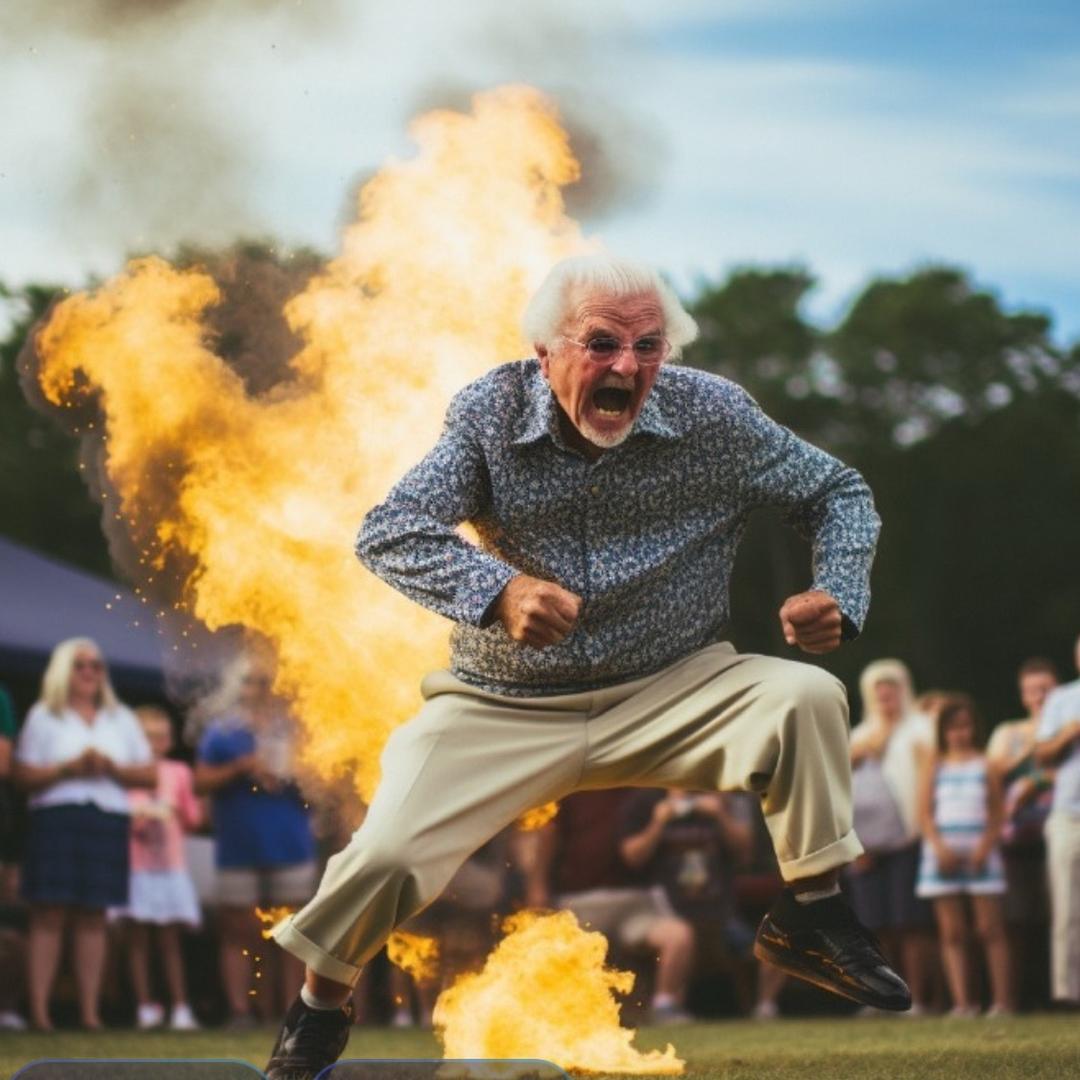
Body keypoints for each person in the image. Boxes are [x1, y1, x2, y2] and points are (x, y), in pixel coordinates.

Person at [263, 254, 908, 1079]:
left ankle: (811, 912)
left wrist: (838, 591)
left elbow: (839, 490)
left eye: (649, 346)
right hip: (504, 703)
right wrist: (497, 591)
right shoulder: (490, 416)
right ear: (546, 350)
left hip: (680, 687)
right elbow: (390, 530)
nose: (627, 367)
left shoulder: (716, 416)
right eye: (601, 344)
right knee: (386, 857)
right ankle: (320, 1008)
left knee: (807, 694)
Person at [12, 637, 155, 1030]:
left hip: (106, 819)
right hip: (56, 818)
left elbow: (149, 772)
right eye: (80, 665)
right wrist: (66, 769)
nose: (90, 671)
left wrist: (110, 767)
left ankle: (90, 1013)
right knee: (49, 913)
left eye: (96, 665)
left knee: (95, 915)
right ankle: (40, 1013)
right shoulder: (44, 716)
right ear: (62, 670)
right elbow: (21, 775)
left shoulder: (120, 717)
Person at [195, 656, 316, 1026]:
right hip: (239, 843)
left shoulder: (297, 732)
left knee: (292, 936)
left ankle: (290, 1012)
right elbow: (200, 782)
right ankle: (240, 1011)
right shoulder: (222, 731)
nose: (259, 689)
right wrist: (243, 767)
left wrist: (293, 774)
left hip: (290, 843)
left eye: (265, 681)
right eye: (251, 681)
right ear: (238, 686)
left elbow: (322, 786)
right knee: (237, 931)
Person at [530, 789, 696, 1024]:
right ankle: (556, 1017)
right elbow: (548, 833)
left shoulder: (644, 783)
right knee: (553, 949)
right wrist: (537, 885)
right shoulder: (574, 785)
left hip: (636, 902)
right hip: (579, 902)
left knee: (679, 936)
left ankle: (664, 1006)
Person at [619, 788, 786, 1019]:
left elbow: (746, 853)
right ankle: (667, 1007)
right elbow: (632, 857)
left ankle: (765, 1008)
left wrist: (720, 814)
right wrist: (659, 822)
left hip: (721, 915)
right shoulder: (648, 800)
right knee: (680, 937)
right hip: (666, 911)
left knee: (777, 939)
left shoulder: (724, 796)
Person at [846, 660, 936, 1012]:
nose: (886, 697)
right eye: (879, 691)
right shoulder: (857, 736)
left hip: (911, 840)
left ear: (904, 689)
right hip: (867, 846)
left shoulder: (922, 730)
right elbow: (841, 793)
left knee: (910, 922)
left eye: (892, 689)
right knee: (874, 926)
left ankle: (916, 998)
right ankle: (882, 997)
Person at [110, 706, 203, 1030]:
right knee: (137, 938)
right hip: (136, 866)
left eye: (162, 736)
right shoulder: (125, 773)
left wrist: (176, 810)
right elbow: (114, 813)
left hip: (170, 867)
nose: (156, 743)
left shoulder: (178, 772)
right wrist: (137, 815)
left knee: (169, 939)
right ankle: (145, 1006)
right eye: (148, 737)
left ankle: (180, 1007)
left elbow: (194, 818)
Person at [916, 695, 1010, 1016]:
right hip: (942, 855)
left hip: (981, 853)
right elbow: (925, 814)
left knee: (990, 929)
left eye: (965, 726)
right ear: (943, 731)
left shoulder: (986, 764)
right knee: (952, 932)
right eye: (953, 728)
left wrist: (985, 846)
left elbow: (997, 813)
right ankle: (963, 1003)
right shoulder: (935, 765)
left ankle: (1001, 1002)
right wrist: (939, 847)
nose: (960, 734)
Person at [986, 658, 1058, 1009]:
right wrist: (1037, 744)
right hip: (1015, 841)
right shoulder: (1009, 732)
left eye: (1045, 689)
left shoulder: (1071, 726)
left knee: (1059, 917)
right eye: (1031, 690)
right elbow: (993, 773)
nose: (1038, 697)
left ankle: (1060, 996)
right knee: (1015, 921)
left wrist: (1039, 779)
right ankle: (1014, 999)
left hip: (1058, 834)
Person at [1035, 633, 1080, 1006]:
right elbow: (1043, 755)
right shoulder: (1062, 699)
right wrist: (1070, 731)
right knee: (1066, 908)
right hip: (1068, 816)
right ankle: (1067, 992)